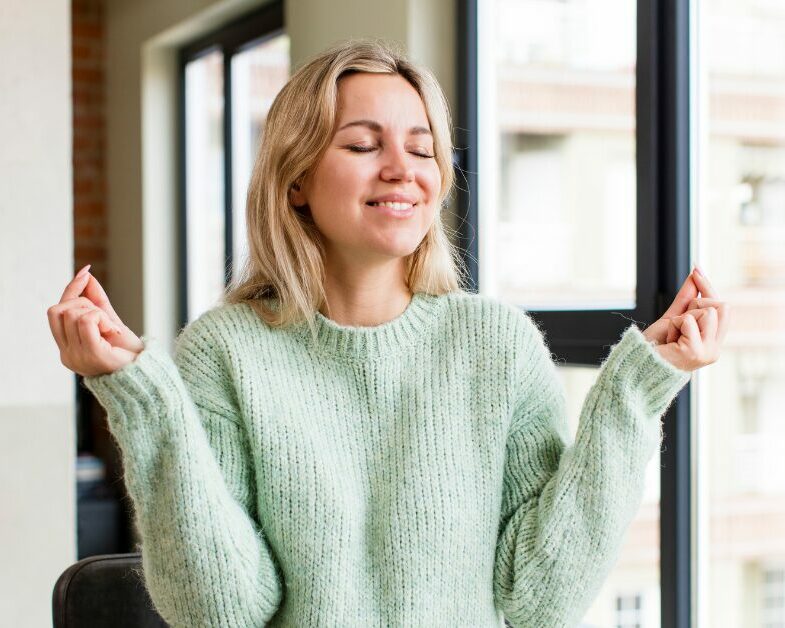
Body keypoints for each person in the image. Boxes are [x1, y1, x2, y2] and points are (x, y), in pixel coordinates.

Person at [47, 39, 729, 628]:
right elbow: (220, 611)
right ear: (295, 180)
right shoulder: (225, 351)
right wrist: (138, 397)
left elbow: (539, 601)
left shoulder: (495, 344)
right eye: (363, 145)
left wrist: (636, 391)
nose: (402, 169)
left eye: (423, 148)